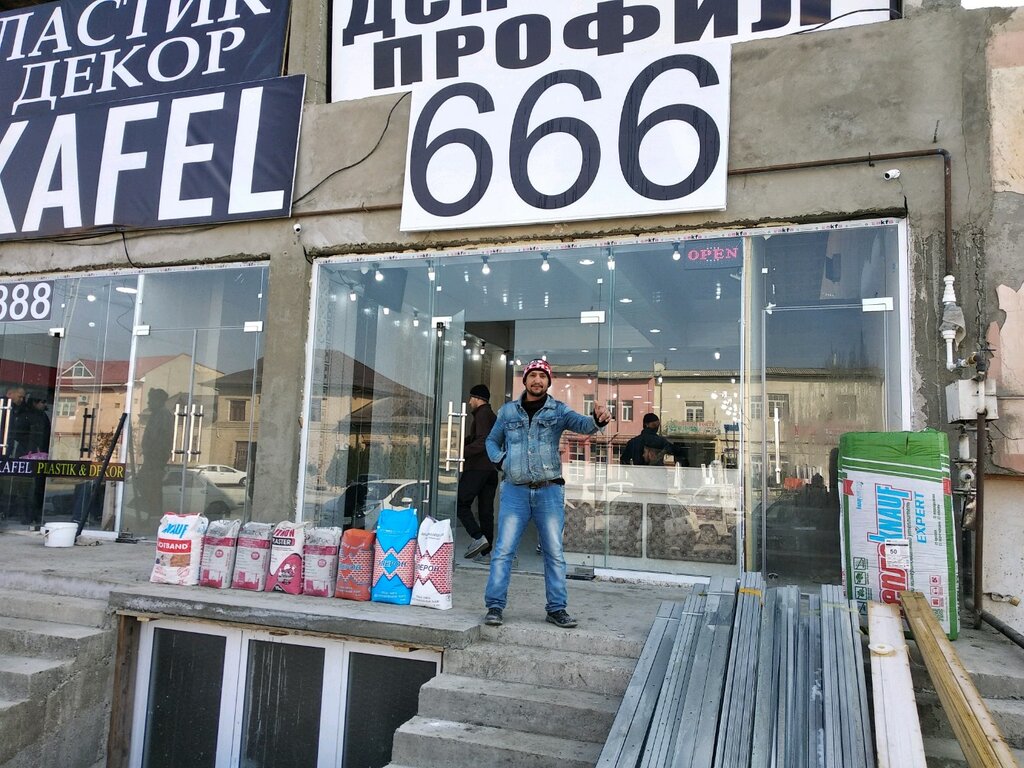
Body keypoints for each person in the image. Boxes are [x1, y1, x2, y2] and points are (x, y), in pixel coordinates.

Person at [483, 359, 611, 629]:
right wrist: (501, 461)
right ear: (525, 380)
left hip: (549, 491)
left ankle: (556, 608)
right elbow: (492, 440)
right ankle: (494, 606)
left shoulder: (558, 410)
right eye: (533, 375)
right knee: (503, 551)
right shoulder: (507, 412)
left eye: (542, 376)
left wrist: (597, 419)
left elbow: (583, 425)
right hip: (515, 491)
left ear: (548, 381)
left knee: (554, 552)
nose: (537, 380)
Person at [457, 384, 498, 559]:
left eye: (471, 398)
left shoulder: (482, 414)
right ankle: (485, 554)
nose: (469, 402)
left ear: (477, 398)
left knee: (460, 504)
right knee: (486, 512)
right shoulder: (491, 416)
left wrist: (461, 452)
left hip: (477, 468)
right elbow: (482, 438)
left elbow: (482, 441)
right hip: (491, 470)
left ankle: (477, 537)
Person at [135, 388, 174, 521]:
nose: (148, 403)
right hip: (153, 456)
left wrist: (151, 450)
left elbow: (158, 437)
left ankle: (154, 512)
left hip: (156, 457)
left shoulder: (163, 415)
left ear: (159, 400)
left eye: (151, 400)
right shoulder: (158, 414)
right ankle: (152, 511)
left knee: (149, 484)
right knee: (148, 484)